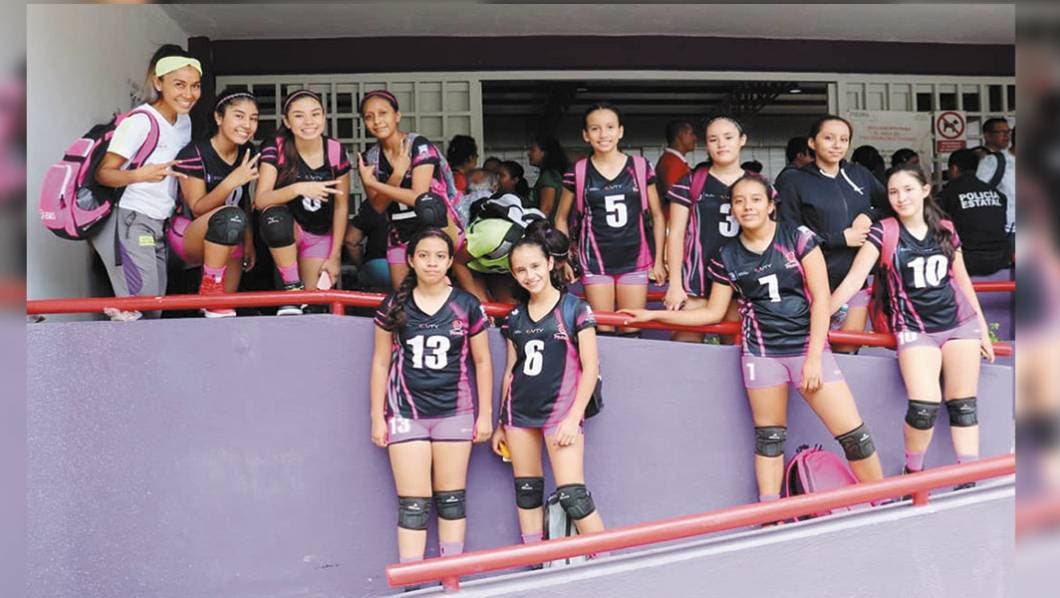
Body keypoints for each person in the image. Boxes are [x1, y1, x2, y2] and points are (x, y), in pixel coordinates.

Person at [623, 174, 884, 504]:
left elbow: (821, 300)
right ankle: (770, 513)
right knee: (769, 437)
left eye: (756, 200)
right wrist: (653, 317)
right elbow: (712, 312)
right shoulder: (727, 255)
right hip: (761, 354)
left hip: (806, 348)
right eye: (739, 201)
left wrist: (814, 358)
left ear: (771, 205)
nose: (747, 207)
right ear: (732, 209)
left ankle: (883, 501)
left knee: (854, 435)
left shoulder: (798, 237)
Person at [829, 165, 994, 480]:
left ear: (925, 190)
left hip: (960, 324)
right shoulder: (884, 231)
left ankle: (968, 478)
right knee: (923, 407)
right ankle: (913, 473)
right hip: (915, 330)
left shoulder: (945, 228)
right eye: (893, 192)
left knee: (963, 405)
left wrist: (983, 329)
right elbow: (854, 280)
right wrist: (821, 318)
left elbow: (962, 281)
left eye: (908, 189)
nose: (901, 197)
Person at [369, 228, 493, 566]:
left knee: (451, 501)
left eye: (440, 256)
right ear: (411, 260)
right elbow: (380, 362)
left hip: (455, 411)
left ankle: (450, 580)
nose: (432, 263)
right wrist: (377, 417)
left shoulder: (466, 305)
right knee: (413, 505)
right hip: (405, 412)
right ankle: (413, 583)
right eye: (423, 255)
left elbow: (482, 361)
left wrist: (485, 415)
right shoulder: (394, 304)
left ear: (451, 261)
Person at [491, 220, 605, 550]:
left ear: (550, 263)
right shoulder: (515, 317)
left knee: (573, 495)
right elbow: (510, 372)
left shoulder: (574, 308)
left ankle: (610, 561)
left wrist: (573, 418)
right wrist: (501, 423)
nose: (530, 275)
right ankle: (535, 561)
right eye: (521, 270)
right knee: (527, 492)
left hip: (561, 414)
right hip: (519, 415)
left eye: (535, 266)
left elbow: (591, 367)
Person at [91, 44, 202, 321]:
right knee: (142, 306)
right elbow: (104, 173)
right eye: (179, 84)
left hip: (159, 221)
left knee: (153, 308)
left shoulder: (184, 121)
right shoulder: (140, 121)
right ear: (158, 83)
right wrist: (141, 174)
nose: (189, 94)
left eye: (195, 86)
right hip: (131, 218)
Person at [356, 90, 483, 300]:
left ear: (397, 115)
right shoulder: (371, 157)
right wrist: (396, 175)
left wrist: (375, 184)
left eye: (383, 113)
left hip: (436, 226)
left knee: (435, 293)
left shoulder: (419, 145)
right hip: (399, 231)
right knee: (403, 299)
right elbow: (378, 206)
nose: (377, 121)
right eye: (369, 117)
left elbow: (420, 197)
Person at [776, 114, 888, 352]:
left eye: (844, 139)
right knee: (810, 350)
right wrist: (839, 239)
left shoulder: (859, 174)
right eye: (828, 138)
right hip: (808, 281)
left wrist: (868, 215)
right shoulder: (794, 181)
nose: (837, 145)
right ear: (812, 142)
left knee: (848, 348)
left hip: (853, 279)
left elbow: (889, 205)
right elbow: (787, 230)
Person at [554, 103, 667, 336]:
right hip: (594, 261)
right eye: (595, 128)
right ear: (586, 135)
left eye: (610, 127)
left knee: (631, 329)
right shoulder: (578, 171)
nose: (603, 134)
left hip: (636, 259)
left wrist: (659, 260)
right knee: (602, 331)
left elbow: (657, 216)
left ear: (620, 131)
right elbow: (560, 218)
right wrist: (563, 259)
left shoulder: (640, 167)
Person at [255, 89, 350, 315]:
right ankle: (290, 287)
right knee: (275, 219)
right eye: (299, 116)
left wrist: (335, 255)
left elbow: (341, 205)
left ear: (324, 117)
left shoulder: (334, 149)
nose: (309, 122)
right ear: (287, 121)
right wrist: (299, 188)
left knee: (313, 306)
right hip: (287, 230)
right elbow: (261, 200)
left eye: (315, 114)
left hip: (319, 232)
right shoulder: (276, 146)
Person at [170, 89, 259, 318]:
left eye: (253, 118)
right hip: (190, 232)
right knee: (229, 217)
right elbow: (197, 207)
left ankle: (212, 300)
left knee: (222, 311)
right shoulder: (194, 153)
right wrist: (231, 181)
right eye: (239, 116)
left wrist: (249, 242)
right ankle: (210, 287)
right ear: (219, 118)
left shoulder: (248, 151)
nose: (247, 125)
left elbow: (243, 199)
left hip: (230, 230)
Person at [663, 115, 745, 343]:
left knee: (734, 350)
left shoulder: (757, 185)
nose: (721, 144)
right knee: (685, 346)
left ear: (742, 140)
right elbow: (676, 234)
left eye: (728, 137)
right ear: (706, 144)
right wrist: (675, 285)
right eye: (713, 139)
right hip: (695, 280)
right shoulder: (690, 182)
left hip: (740, 282)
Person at [938, 149, 1010, 276]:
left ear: (954, 169)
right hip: (1000, 259)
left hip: (967, 262)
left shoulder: (947, 195)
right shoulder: (996, 193)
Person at [976, 117, 1015, 237]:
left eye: (1007, 132)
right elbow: (978, 191)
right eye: (1001, 132)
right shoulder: (990, 160)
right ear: (987, 136)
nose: (1006, 136)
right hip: (1007, 227)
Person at [343, 198, 391, 290]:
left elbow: (351, 240)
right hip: (410, 265)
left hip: (378, 267)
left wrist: (361, 267)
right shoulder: (416, 199)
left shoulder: (374, 202)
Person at [527, 134, 569, 218]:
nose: (529, 154)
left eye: (533, 150)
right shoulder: (555, 174)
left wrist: (539, 224)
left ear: (544, 153)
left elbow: (546, 209)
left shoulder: (548, 176)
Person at [654, 119, 695, 207]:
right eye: (691, 134)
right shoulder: (672, 163)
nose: (695, 138)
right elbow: (676, 198)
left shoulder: (671, 160)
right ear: (681, 135)